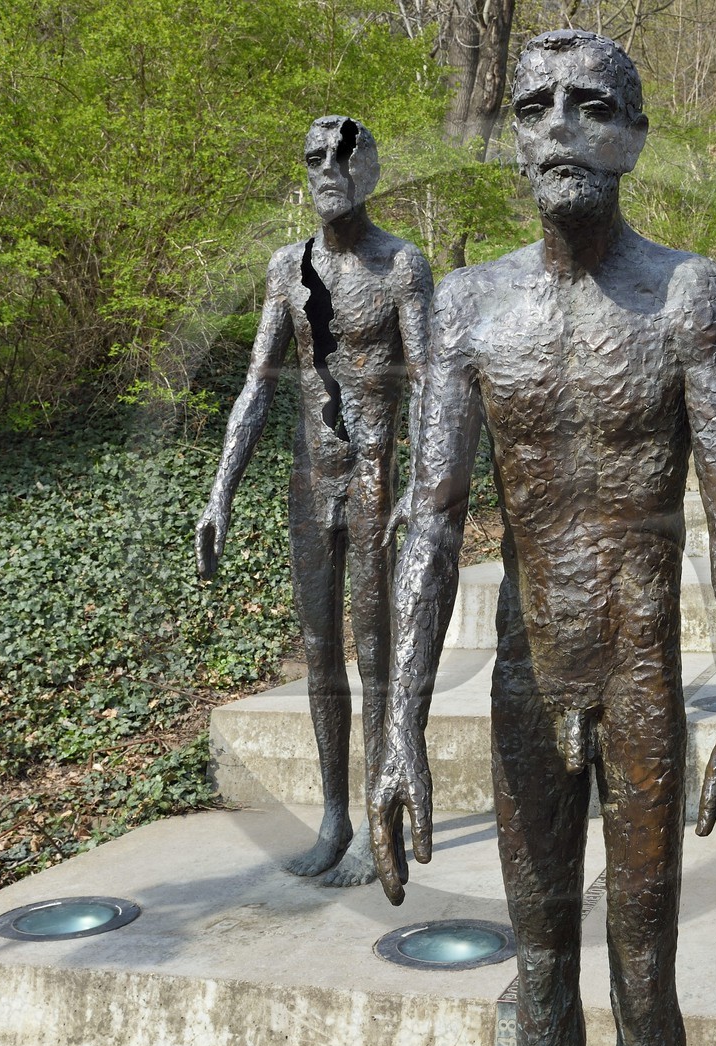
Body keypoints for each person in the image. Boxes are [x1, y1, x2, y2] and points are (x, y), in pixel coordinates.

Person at [367, 31, 716, 1046]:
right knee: (541, 967)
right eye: (536, 106)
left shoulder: (688, 298)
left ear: (634, 136)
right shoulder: (467, 307)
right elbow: (431, 517)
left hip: (641, 676)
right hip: (525, 674)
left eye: (591, 106)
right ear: (512, 138)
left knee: (644, 972)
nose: (561, 127)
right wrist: (397, 725)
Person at [196, 116, 432, 887]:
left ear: (369, 169)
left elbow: (430, 387)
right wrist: (220, 491)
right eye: (313, 158)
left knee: (375, 658)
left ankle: (377, 822)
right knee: (321, 656)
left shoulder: (402, 267)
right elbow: (257, 386)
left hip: (372, 484)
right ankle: (334, 816)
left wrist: (425, 490)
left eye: (343, 154)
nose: (327, 168)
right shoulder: (285, 269)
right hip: (309, 485)